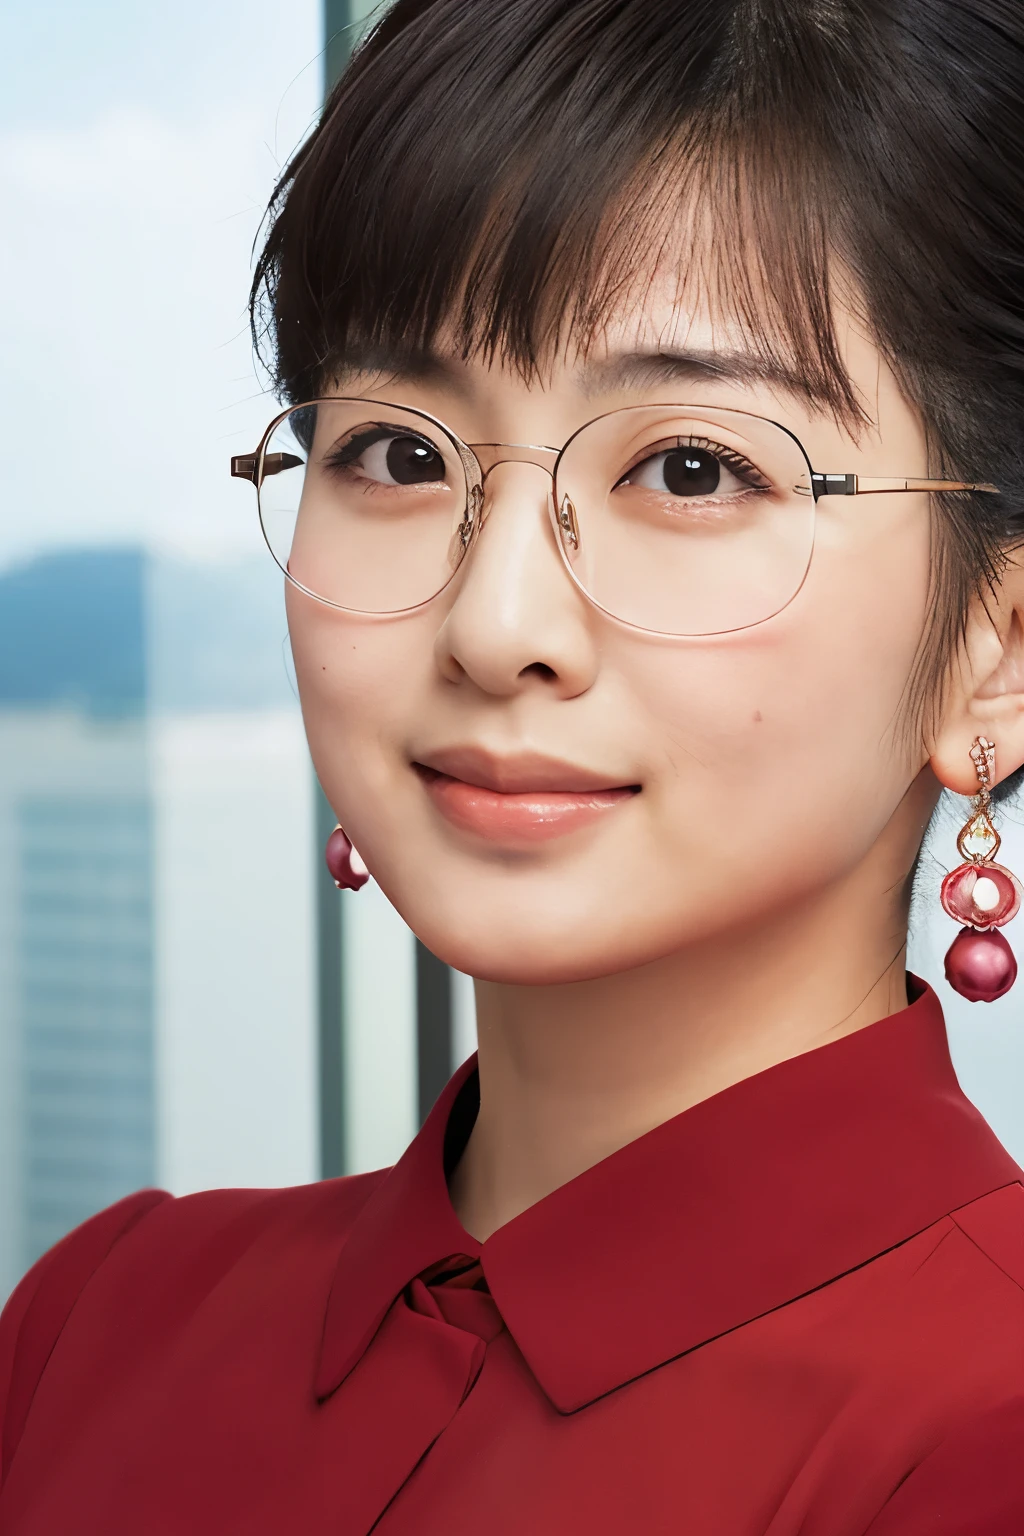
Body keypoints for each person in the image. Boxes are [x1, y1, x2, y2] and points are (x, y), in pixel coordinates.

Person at [2, 0, 1023, 1529]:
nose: (496, 624)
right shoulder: (101, 1322)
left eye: (691, 468)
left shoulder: (981, 1427)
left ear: (993, 651)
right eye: (400, 454)